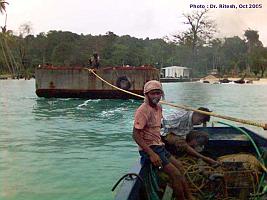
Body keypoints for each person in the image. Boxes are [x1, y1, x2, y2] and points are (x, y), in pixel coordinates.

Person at [132, 80, 194, 200]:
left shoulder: (158, 107)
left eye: (158, 93)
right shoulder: (143, 110)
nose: (156, 96)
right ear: (146, 95)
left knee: (180, 167)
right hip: (150, 149)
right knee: (175, 175)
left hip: (159, 146)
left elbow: (156, 127)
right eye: (152, 93)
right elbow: (135, 134)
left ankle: (189, 196)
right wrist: (152, 155)